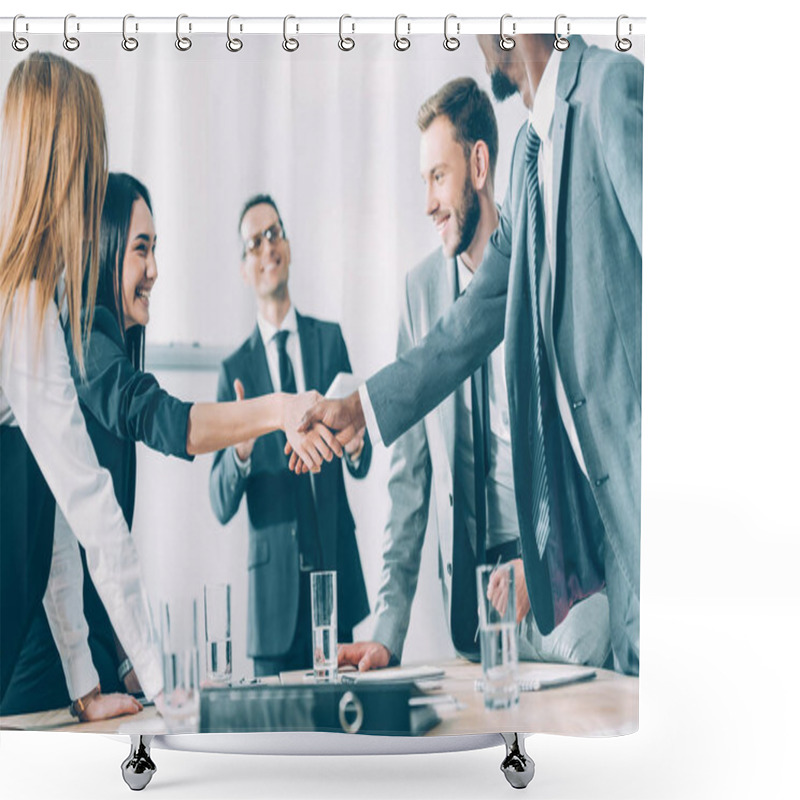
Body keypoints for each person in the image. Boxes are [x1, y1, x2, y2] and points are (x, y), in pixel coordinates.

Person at [297, 35, 643, 676]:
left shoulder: (609, 89)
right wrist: (362, 409)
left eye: (438, 176)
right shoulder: (530, 155)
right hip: (486, 609)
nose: (428, 199)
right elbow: (459, 335)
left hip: (608, 555)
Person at [2, 173, 340, 715]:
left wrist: (122, 664)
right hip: (43, 669)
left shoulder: (102, 344)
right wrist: (277, 410)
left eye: (156, 248)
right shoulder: (83, 345)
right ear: (107, 248)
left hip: (80, 669)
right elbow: (169, 422)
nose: (154, 268)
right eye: (141, 249)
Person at [0, 52, 158, 721]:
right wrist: (167, 686)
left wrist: (84, 682)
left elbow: (60, 518)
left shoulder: (27, 296)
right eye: (92, 158)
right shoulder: (26, 307)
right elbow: (92, 507)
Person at [209, 194, 372, 677]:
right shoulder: (234, 371)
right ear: (244, 268)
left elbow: (359, 451)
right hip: (272, 603)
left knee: (345, 742)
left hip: (336, 580)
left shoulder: (330, 339)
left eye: (274, 233)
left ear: (289, 245)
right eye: (254, 243)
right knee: (274, 749)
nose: (267, 247)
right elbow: (219, 504)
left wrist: (358, 446)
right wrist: (239, 450)